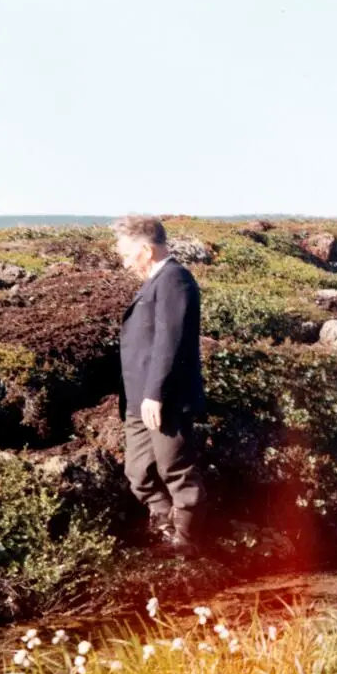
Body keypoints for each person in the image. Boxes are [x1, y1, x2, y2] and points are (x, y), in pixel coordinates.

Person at [112, 215, 207, 558]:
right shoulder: (156, 280)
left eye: (127, 254)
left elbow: (171, 341)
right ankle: (165, 526)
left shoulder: (174, 280)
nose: (124, 262)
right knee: (137, 471)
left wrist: (156, 393)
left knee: (175, 467)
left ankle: (185, 542)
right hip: (139, 399)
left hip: (163, 398)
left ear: (146, 250)